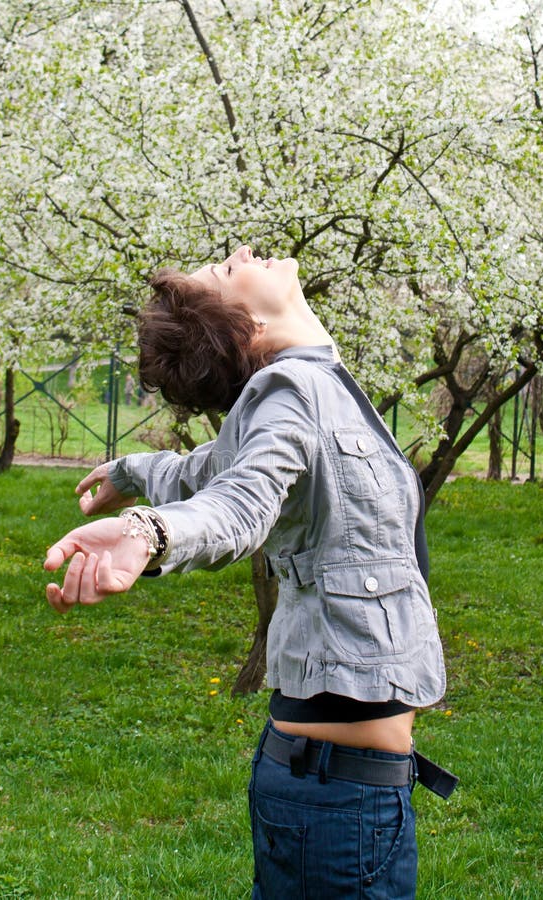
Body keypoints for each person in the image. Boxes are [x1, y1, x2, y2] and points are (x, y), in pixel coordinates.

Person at [43, 245, 457, 899]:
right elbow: (237, 506)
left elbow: (211, 466)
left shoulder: (312, 386)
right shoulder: (292, 393)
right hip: (338, 799)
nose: (240, 253)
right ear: (251, 329)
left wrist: (129, 475)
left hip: (331, 786)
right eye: (229, 271)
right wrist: (149, 531)